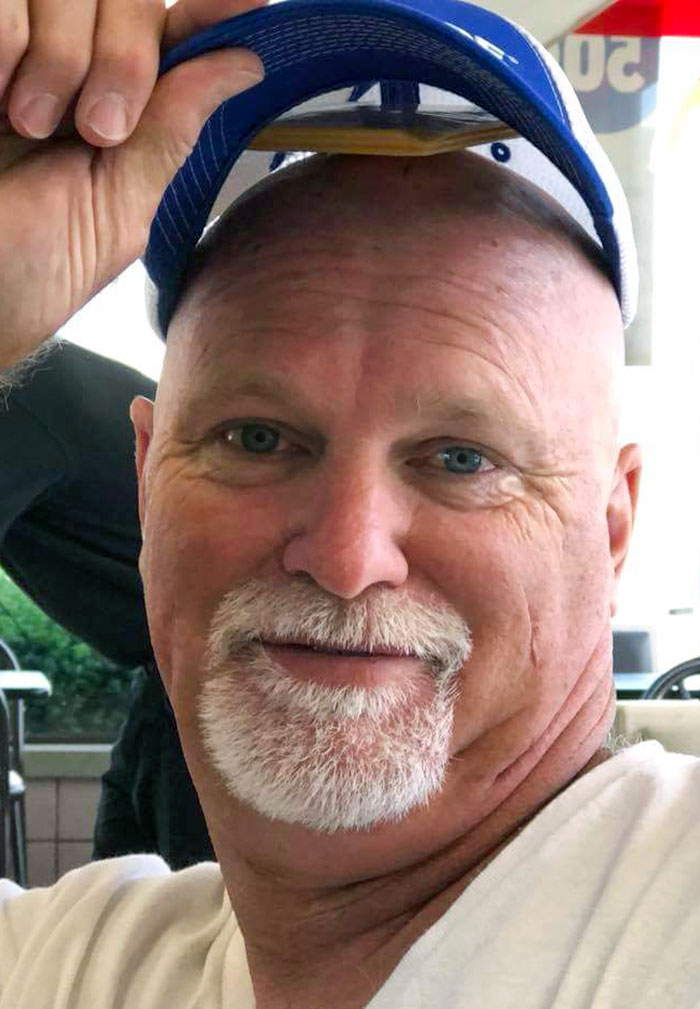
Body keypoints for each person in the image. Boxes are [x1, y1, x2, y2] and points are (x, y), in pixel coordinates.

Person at [1, 1, 699, 1008]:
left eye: (460, 458)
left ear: (611, 526)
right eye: (256, 438)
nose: (344, 554)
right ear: (147, 481)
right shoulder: (78, 967)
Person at [0, 341, 214, 866]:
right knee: (128, 888)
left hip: (216, 675)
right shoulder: (37, 377)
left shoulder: (19, 392)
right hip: (166, 673)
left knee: (186, 895)